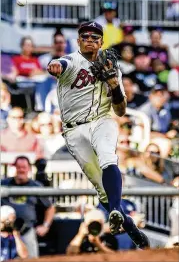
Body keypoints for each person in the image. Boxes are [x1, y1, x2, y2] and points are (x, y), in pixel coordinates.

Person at [47, 21, 149, 249]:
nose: (91, 41)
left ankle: (114, 211)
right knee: (100, 186)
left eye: (95, 38)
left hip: (102, 121)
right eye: (86, 37)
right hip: (73, 129)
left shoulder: (111, 65)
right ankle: (129, 225)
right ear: (78, 41)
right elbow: (58, 64)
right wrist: (53, 65)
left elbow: (121, 111)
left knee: (107, 157)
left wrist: (114, 86)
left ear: (102, 42)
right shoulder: (72, 61)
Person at [1, 156, 55, 258]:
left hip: (27, 231)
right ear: (15, 168)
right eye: (18, 167)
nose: (21, 170)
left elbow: (50, 207)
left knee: (31, 258)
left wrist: (45, 225)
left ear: (29, 168)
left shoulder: (36, 186)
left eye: (24, 167)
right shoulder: (3, 184)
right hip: (5, 234)